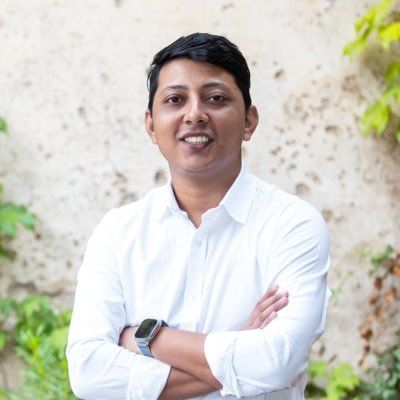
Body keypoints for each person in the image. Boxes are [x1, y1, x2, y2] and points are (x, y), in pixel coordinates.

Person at [66, 32, 331, 400]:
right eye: (175, 100)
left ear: (249, 121)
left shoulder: (292, 225)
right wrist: (239, 349)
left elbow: (277, 362)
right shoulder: (118, 232)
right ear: (151, 125)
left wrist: (149, 339)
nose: (194, 114)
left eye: (216, 98)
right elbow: (88, 373)